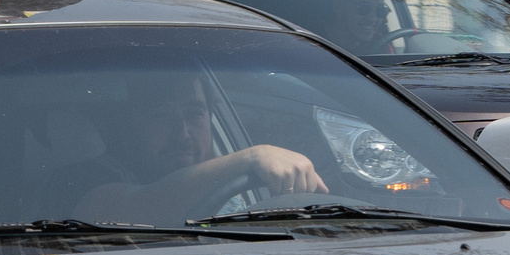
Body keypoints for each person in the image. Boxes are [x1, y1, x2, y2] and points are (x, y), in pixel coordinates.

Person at [67, 72, 326, 226]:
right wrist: (253, 156)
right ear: (129, 128)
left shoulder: (232, 186)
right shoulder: (87, 176)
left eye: (194, 115)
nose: (181, 134)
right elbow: (138, 208)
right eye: (160, 116)